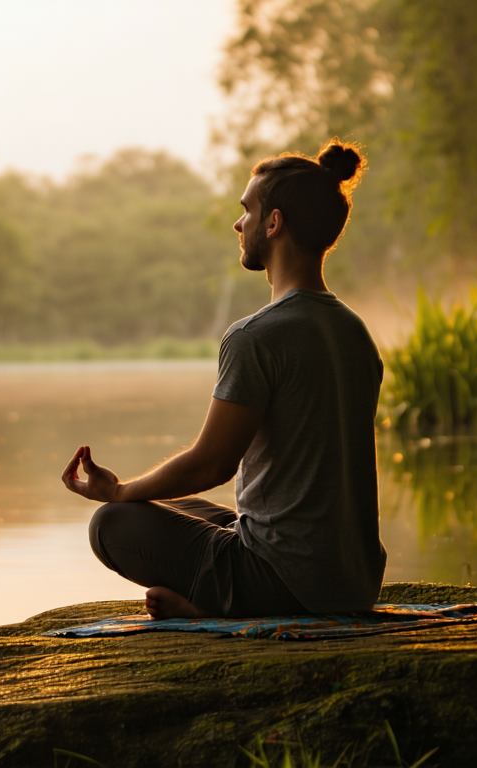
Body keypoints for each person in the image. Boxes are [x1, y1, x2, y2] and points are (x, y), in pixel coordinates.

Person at [61, 139, 385, 620]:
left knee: (112, 522)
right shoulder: (353, 331)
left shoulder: (257, 336)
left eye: (247, 211)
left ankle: (211, 607)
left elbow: (210, 466)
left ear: (273, 223)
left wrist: (117, 491)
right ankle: (218, 590)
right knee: (185, 508)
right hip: (354, 580)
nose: (239, 224)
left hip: (284, 583)